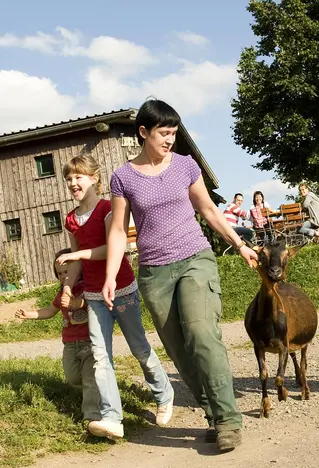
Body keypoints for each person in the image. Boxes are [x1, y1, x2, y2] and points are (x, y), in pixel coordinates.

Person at [103, 99, 257, 452]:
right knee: (179, 349)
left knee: (202, 333)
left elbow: (208, 210)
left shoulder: (185, 166)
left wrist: (240, 243)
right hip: (154, 272)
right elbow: (117, 231)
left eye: (174, 132)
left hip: (194, 259)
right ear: (144, 132)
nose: (170, 139)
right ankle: (214, 416)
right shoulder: (123, 177)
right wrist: (111, 275)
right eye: (164, 133)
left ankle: (229, 419)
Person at [59, 155, 174, 440]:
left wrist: (79, 254)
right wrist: (67, 286)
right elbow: (76, 263)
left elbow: (114, 248)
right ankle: (112, 418)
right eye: (69, 179)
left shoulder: (109, 209)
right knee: (100, 355)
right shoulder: (71, 219)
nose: (73, 183)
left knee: (138, 347)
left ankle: (164, 393)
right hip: (94, 295)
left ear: (95, 178)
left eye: (79, 177)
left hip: (121, 289)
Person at [14, 248, 100, 423]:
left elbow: (88, 302)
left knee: (90, 378)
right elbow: (50, 311)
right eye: (60, 273)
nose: (63, 276)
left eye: (67, 272)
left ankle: (92, 415)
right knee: (72, 377)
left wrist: (75, 302)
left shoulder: (86, 287)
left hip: (89, 341)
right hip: (69, 343)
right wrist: (29, 314)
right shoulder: (61, 293)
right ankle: (98, 391)